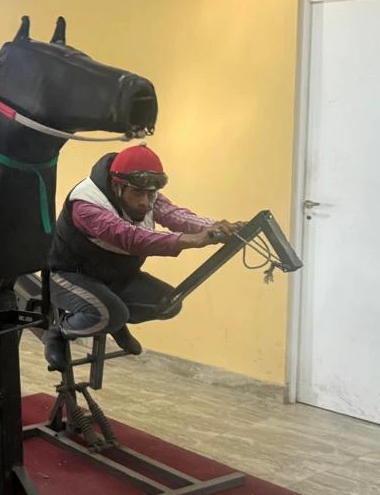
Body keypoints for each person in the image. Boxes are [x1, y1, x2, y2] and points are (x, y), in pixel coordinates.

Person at [42, 144, 244, 364]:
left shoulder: (146, 195)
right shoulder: (87, 205)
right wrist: (192, 240)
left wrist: (215, 227)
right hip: (70, 275)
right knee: (109, 314)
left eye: (151, 194)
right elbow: (131, 238)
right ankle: (59, 331)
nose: (145, 202)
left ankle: (114, 320)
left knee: (168, 303)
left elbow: (175, 215)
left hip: (115, 277)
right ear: (117, 186)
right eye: (138, 193)